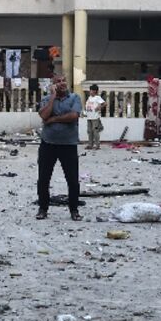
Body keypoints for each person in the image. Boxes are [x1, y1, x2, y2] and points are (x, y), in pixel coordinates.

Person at [35, 75, 82, 221]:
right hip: (48, 144)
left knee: (72, 179)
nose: (62, 83)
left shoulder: (75, 98)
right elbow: (44, 115)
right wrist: (53, 97)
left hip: (69, 145)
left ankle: (74, 210)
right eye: (58, 82)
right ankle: (43, 209)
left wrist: (54, 119)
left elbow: (73, 116)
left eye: (64, 80)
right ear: (53, 85)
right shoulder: (46, 99)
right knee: (43, 178)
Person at [84, 83, 106, 150]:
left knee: (95, 131)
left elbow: (105, 103)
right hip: (89, 117)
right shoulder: (89, 98)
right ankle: (90, 145)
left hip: (95, 117)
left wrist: (99, 107)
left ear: (95, 91)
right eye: (90, 90)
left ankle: (97, 145)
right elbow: (87, 107)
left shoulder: (97, 98)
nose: (90, 91)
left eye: (91, 90)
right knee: (89, 131)